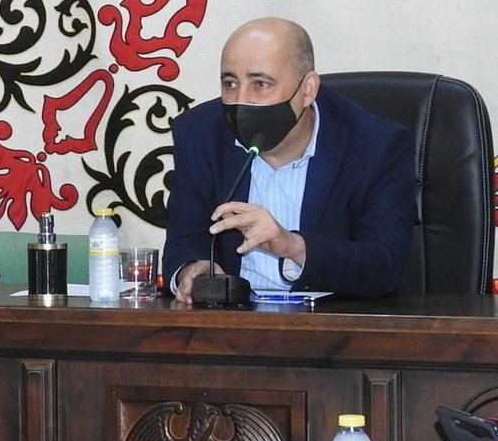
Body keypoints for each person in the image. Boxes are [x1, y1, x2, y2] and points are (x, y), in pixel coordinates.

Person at [163, 17, 416, 301]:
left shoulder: (375, 146)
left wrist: (293, 246)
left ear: (307, 89)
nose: (241, 99)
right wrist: (191, 269)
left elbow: (383, 266)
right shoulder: (200, 133)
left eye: (261, 84)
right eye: (230, 83)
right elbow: (184, 238)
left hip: (333, 320)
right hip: (232, 320)